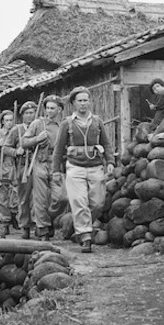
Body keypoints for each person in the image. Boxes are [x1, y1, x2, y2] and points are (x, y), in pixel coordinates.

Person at [52, 86, 113, 253]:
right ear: (73, 103)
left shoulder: (97, 121)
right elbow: (58, 149)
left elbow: (106, 143)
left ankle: (80, 227)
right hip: (75, 167)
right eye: (80, 100)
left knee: (98, 203)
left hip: (95, 167)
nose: (83, 104)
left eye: (86, 100)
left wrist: (110, 161)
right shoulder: (67, 123)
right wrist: (56, 171)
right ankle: (85, 235)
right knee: (79, 201)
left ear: (90, 102)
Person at [22, 96, 63, 240]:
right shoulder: (37, 123)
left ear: (59, 109)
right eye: (48, 108)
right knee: (40, 198)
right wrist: (37, 139)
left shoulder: (63, 125)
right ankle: (43, 228)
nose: (49, 111)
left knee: (60, 197)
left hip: (57, 163)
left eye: (53, 108)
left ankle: (48, 219)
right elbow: (24, 142)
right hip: (40, 161)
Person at [5, 101, 38, 239]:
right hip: (23, 167)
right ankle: (25, 226)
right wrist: (16, 151)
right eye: (27, 113)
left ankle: (39, 226)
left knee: (39, 197)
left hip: (38, 165)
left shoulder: (39, 127)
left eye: (32, 113)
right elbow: (5, 148)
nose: (30, 116)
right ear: (22, 115)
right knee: (23, 198)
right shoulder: (16, 130)